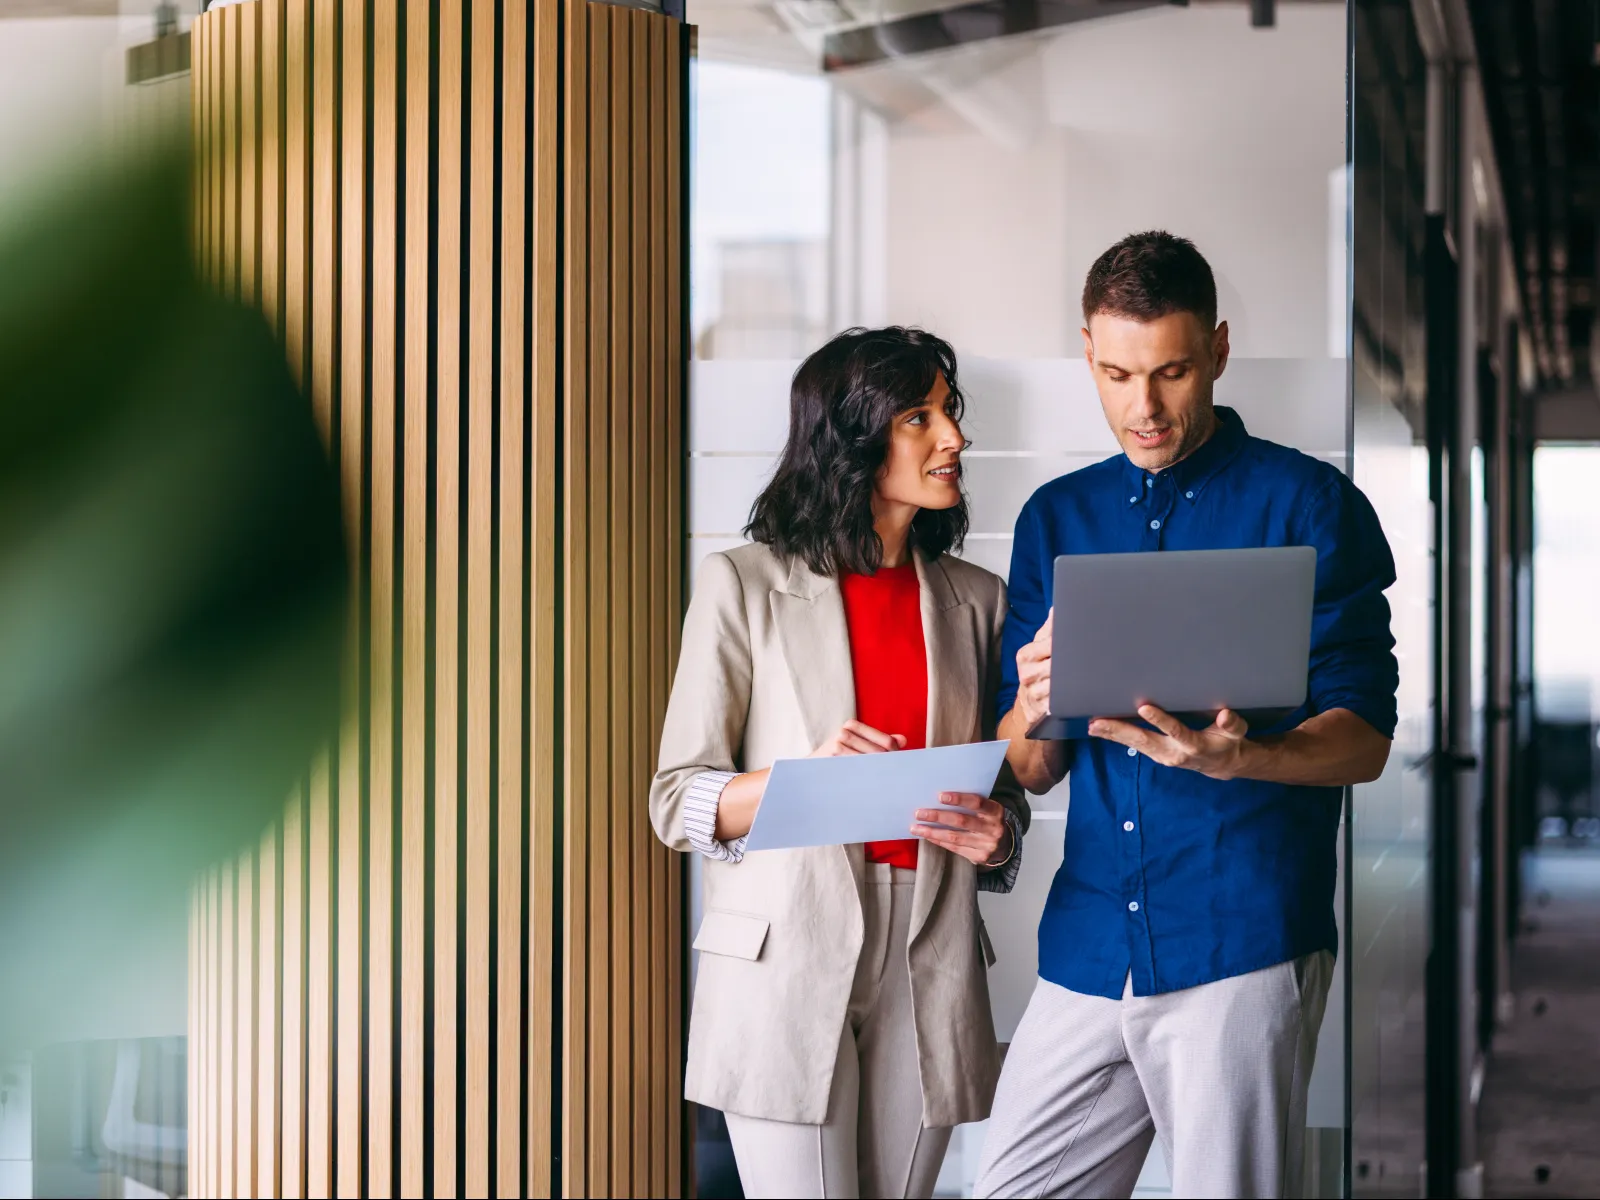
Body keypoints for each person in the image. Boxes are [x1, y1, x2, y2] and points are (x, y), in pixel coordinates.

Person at [974, 232, 1399, 1199]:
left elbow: (1365, 741)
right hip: (1088, 941)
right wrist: (1031, 709)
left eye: (1170, 371)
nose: (1144, 406)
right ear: (1087, 352)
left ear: (1217, 349)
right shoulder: (1055, 518)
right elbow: (1033, 772)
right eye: (1118, 373)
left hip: (1240, 939)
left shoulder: (1309, 504)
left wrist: (1241, 759)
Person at [650, 326, 1029, 1200]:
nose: (954, 439)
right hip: (786, 950)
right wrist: (798, 784)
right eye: (919, 417)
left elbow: (999, 794)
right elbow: (676, 801)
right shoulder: (742, 583)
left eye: (950, 413)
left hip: (928, 956)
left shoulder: (977, 600)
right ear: (855, 438)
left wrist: (999, 835)